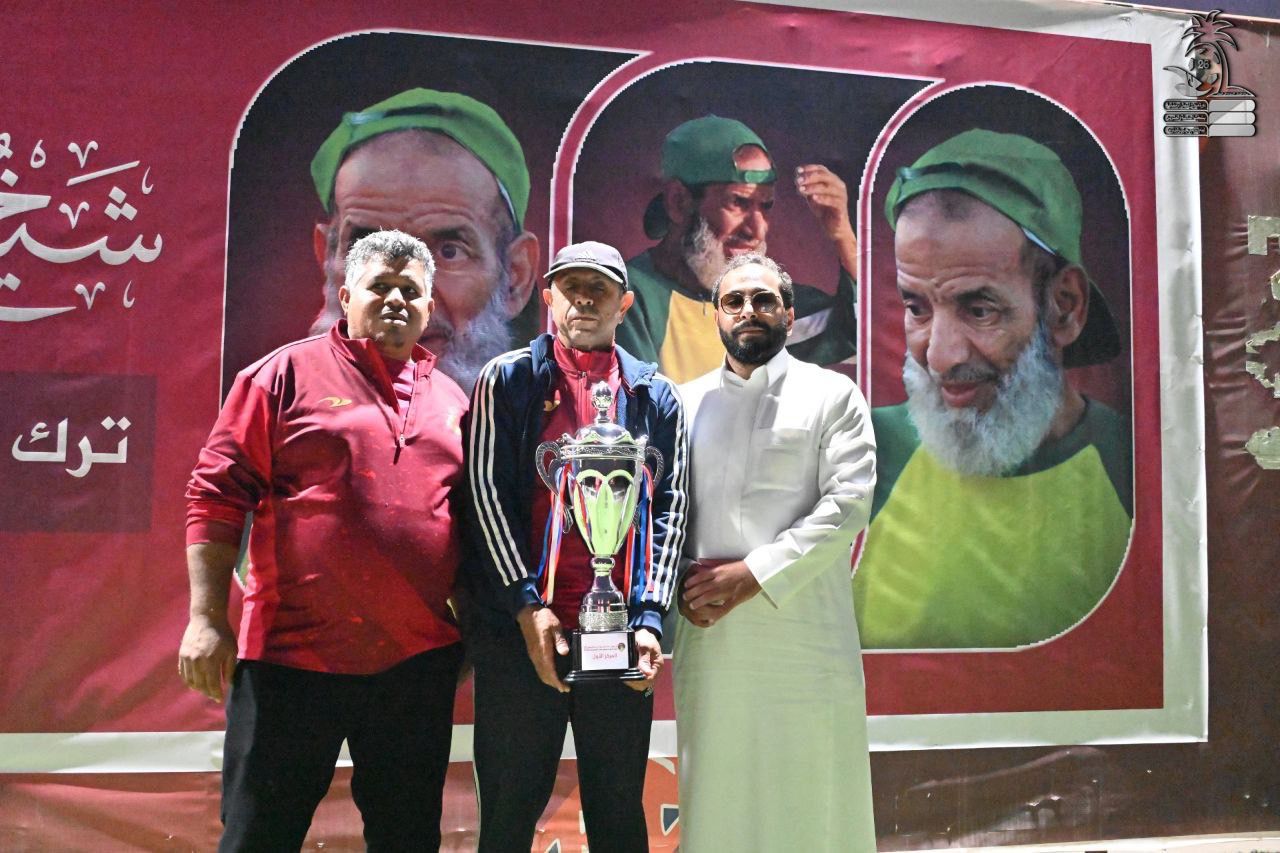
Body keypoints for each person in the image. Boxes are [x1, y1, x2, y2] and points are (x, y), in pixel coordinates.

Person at [180, 230, 468, 850]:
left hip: (414, 667)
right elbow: (215, 494)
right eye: (379, 286)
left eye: (410, 290)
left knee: (408, 839)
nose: (395, 300)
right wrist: (205, 618)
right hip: (291, 660)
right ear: (345, 296)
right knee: (259, 837)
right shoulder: (281, 375)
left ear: (429, 306)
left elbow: (466, 526)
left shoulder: (452, 400)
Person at [852, 129, 1133, 650]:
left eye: (979, 310)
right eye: (916, 308)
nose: (939, 356)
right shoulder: (859, 454)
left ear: (1064, 306)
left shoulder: (1138, 468)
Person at [463, 241, 688, 852]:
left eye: (600, 289)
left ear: (625, 304)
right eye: (571, 287)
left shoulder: (655, 395)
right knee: (507, 815)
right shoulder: (507, 379)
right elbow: (484, 496)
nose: (585, 300)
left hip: (618, 633)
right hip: (520, 636)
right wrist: (526, 605)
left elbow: (669, 509)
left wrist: (649, 618)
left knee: (618, 813)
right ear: (548, 297)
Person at [674, 252, 877, 852]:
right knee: (719, 797)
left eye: (764, 300)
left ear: (789, 314)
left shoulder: (832, 394)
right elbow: (663, 515)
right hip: (711, 639)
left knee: (814, 799)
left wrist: (754, 574)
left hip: (805, 640)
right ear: (715, 316)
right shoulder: (681, 404)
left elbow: (849, 504)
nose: (749, 311)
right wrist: (677, 579)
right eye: (734, 301)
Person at [308, 87, 540, 390]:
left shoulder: (559, 415)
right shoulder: (273, 400)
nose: (399, 294)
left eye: (448, 251)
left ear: (515, 278)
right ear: (327, 259)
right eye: (367, 250)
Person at [617, 114, 859, 384]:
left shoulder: (766, 302)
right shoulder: (627, 298)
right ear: (679, 202)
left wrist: (842, 235)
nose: (757, 229)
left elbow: (857, 335)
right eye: (738, 203)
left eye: (765, 206)